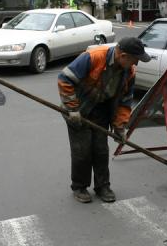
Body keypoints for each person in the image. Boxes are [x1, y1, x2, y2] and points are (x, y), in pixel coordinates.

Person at [58, 37, 151, 203]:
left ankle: (103, 186)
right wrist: (72, 108)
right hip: (79, 109)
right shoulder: (93, 57)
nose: (136, 64)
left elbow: (124, 102)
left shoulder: (128, 72)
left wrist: (120, 127)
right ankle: (79, 186)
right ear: (123, 56)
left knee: (101, 150)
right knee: (82, 150)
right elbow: (65, 79)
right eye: (135, 60)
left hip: (101, 111)